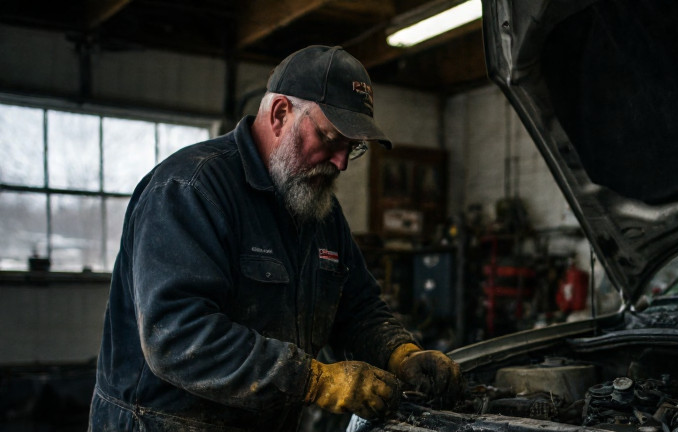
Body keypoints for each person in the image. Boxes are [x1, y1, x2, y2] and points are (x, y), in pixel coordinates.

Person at [88, 45, 463, 431]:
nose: (341, 163)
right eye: (331, 138)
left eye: (353, 148)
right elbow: (178, 336)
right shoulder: (190, 189)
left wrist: (400, 353)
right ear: (281, 113)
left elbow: (357, 307)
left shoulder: (318, 210)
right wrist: (313, 380)